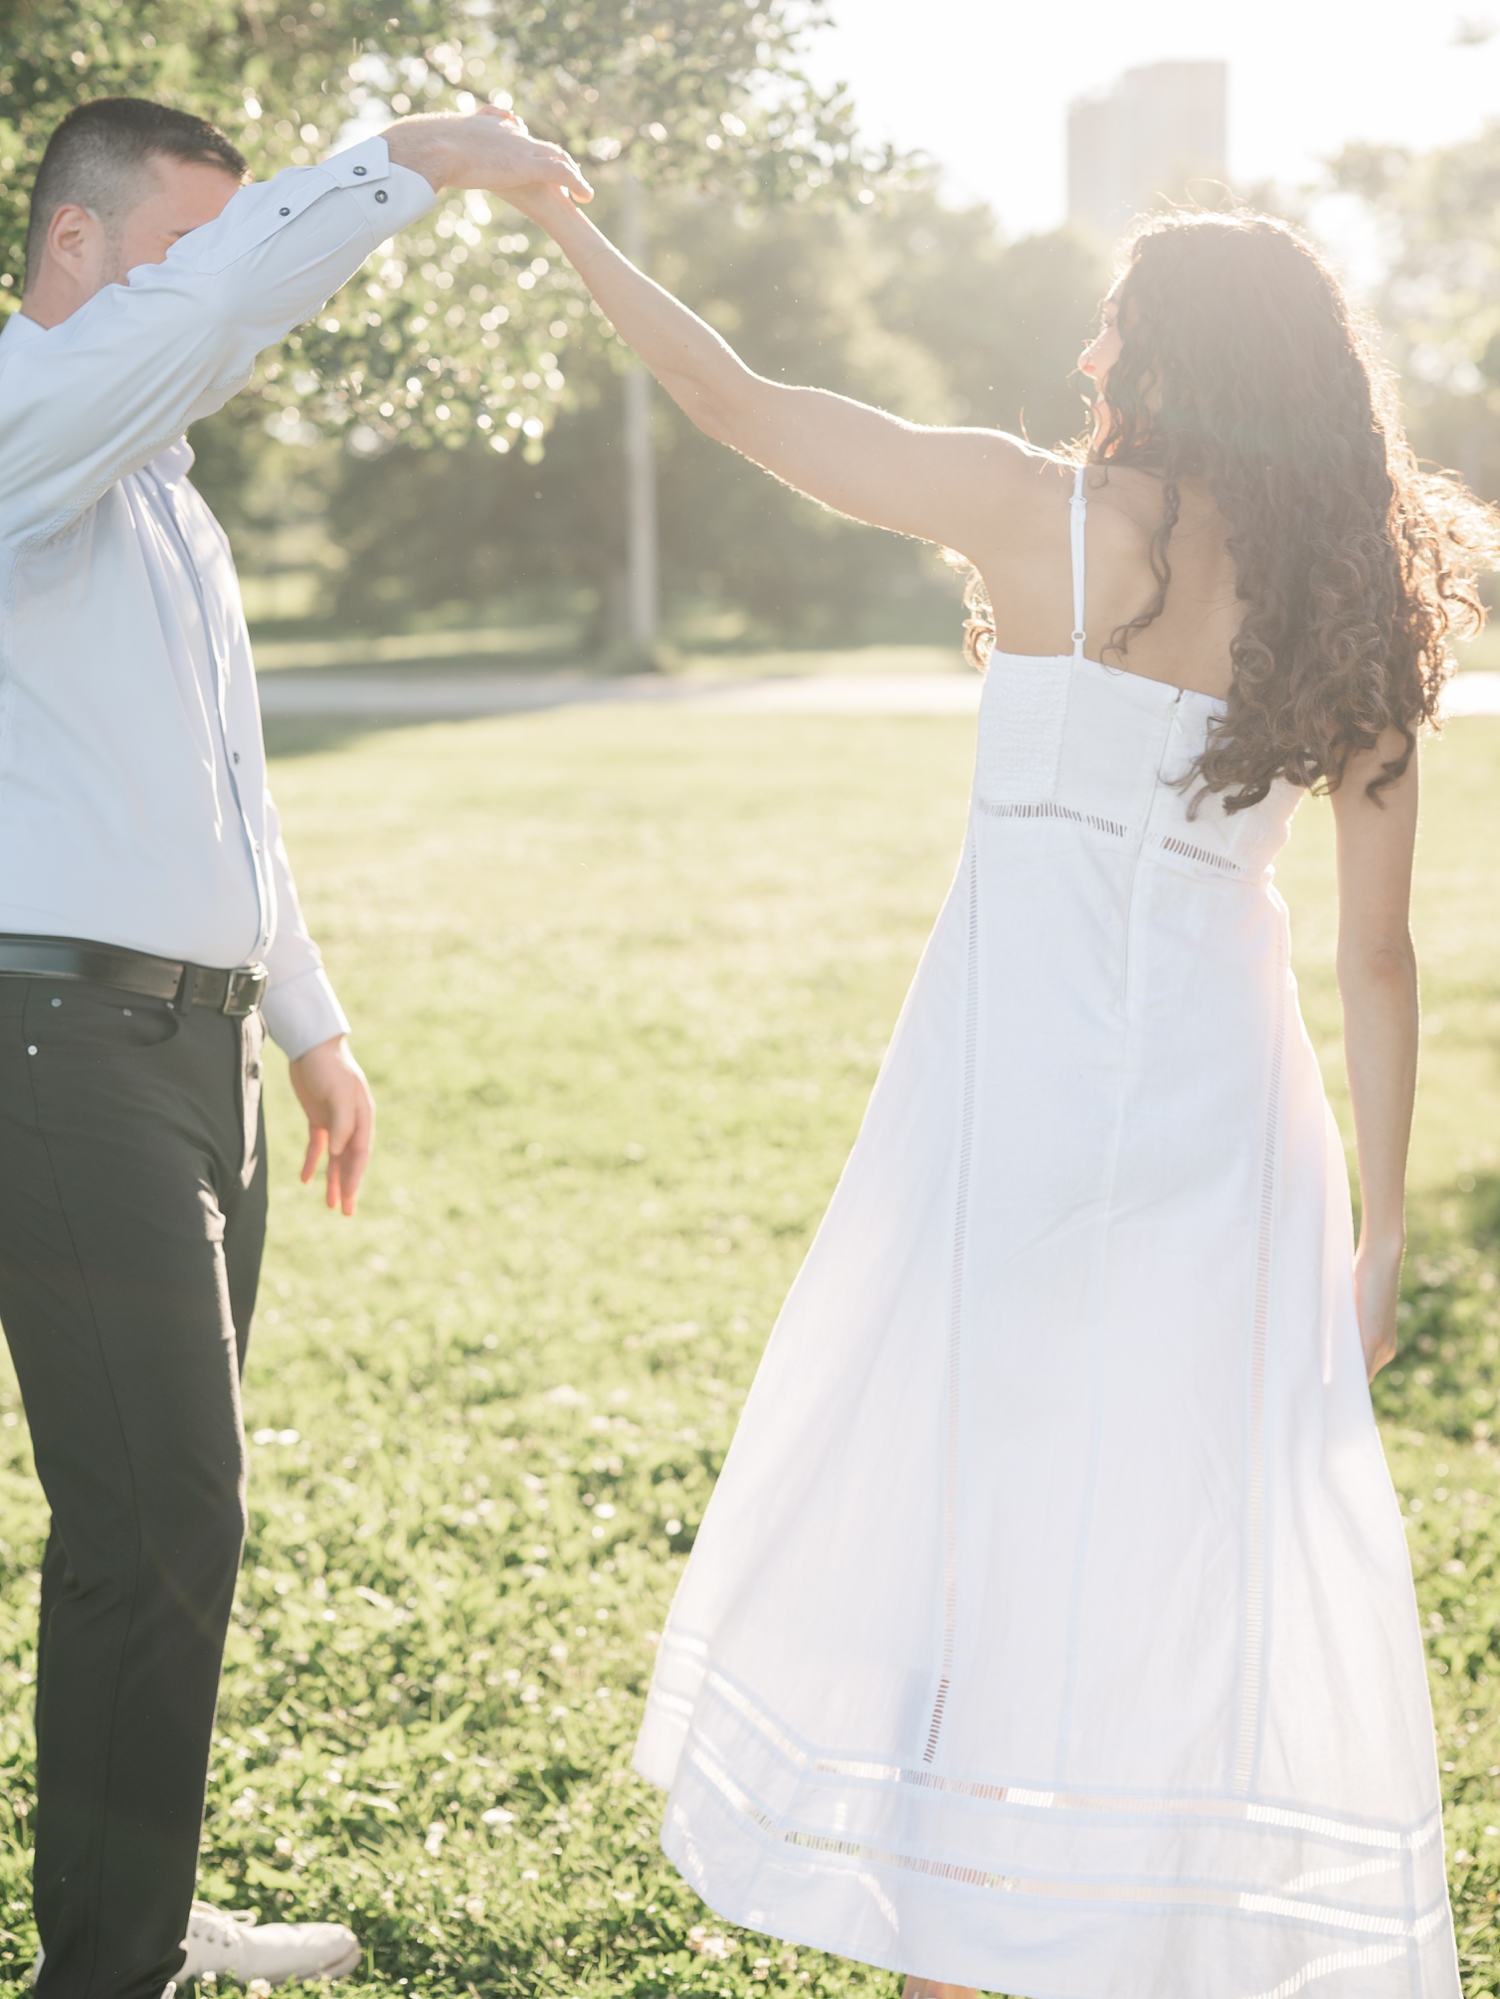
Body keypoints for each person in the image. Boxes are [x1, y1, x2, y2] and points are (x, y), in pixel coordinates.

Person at [496, 168, 1500, 1999]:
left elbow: (737, 400)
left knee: (971, 1529)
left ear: (1180, 354)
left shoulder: (1040, 519)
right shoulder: (1353, 599)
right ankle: (1125, 1936)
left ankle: (960, 1951)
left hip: (1017, 1102)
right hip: (1226, 1115)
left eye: (1120, 318)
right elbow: (1375, 955)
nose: (1092, 345)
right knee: (1162, 1544)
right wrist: (1379, 1232)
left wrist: (568, 223)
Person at [0, 95, 590, 1999]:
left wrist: (309, 1027)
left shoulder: (166, 495)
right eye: (190, 261)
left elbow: (228, 796)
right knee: (156, 1512)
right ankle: (110, 1968)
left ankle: (136, 1919)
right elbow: (195, 328)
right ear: (73, 250)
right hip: (53, 1045)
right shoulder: (24, 425)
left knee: (171, 1523)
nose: (224, 325)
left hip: (198, 1057)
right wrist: (399, 157)